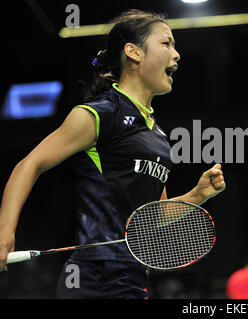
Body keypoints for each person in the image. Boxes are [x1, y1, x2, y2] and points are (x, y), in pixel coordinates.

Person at [0, 9, 226, 298]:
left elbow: (151, 215)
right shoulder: (100, 113)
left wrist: (198, 194)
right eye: (166, 43)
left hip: (133, 277)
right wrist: (5, 232)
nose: (176, 54)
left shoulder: (157, 137)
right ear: (133, 52)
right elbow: (29, 165)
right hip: (93, 276)